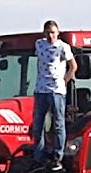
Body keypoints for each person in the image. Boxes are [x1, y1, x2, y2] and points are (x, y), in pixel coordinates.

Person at [31, 20, 77, 165]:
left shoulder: (63, 47)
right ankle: (38, 155)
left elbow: (73, 66)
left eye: (53, 32)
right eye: (48, 32)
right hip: (41, 90)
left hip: (56, 91)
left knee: (58, 123)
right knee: (38, 124)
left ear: (58, 33)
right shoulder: (39, 44)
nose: (51, 35)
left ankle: (58, 155)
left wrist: (64, 81)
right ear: (44, 33)